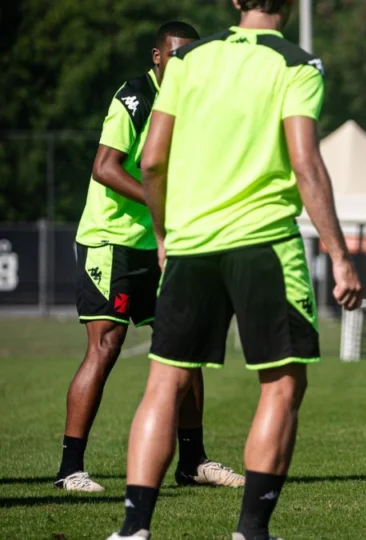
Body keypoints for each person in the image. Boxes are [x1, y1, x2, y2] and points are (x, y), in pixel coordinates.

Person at [107, 1, 362, 538]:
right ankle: (250, 530)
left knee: (164, 382)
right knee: (281, 384)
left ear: (234, 2)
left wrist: (163, 234)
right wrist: (340, 255)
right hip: (264, 242)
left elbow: (152, 160)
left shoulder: (189, 60)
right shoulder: (296, 64)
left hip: (190, 243)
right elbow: (305, 161)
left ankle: (133, 529)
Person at [61, 21, 243, 493]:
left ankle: (193, 462)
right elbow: (104, 168)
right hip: (110, 240)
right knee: (105, 347)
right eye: (176, 55)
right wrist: (161, 202)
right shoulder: (135, 97)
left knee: (186, 352)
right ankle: (70, 468)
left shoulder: (195, 103)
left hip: (164, 243)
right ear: (157, 56)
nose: (184, 63)